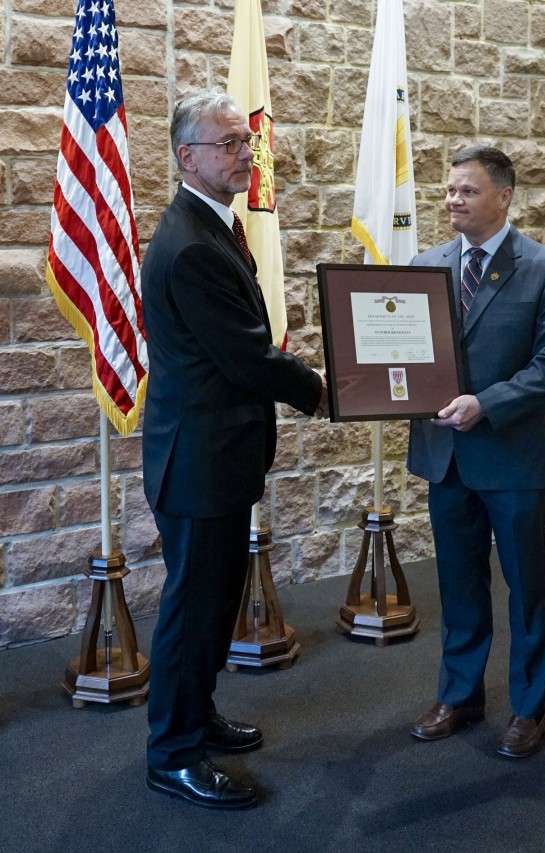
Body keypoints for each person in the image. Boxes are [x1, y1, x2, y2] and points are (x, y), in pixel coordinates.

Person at [141, 89, 327, 809]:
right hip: (199, 461)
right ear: (188, 156)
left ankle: (198, 712)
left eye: (246, 143)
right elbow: (247, 356)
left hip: (217, 453)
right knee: (195, 606)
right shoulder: (190, 245)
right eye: (228, 144)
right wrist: (322, 389)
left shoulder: (213, 225)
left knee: (216, 598)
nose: (245, 155)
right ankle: (174, 752)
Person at [407, 146, 545, 758]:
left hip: (513, 456)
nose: (453, 199)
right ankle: (460, 696)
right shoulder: (423, 265)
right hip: (446, 456)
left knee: (526, 584)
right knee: (458, 583)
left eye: (467, 191)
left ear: (504, 196)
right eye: (450, 189)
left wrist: (487, 402)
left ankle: (528, 709)